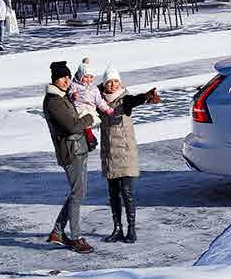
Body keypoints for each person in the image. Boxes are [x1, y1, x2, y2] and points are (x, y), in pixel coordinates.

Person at [96, 67, 162, 244]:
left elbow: (133, 101)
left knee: (127, 192)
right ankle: (117, 228)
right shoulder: (99, 100)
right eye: (109, 82)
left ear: (120, 83)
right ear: (104, 84)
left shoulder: (124, 99)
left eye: (116, 81)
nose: (113, 85)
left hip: (125, 152)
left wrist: (145, 97)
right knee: (113, 194)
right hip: (109, 153)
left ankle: (131, 229)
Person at [41, 60, 96, 253]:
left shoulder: (63, 96)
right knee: (77, 194)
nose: (66, 81)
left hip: (77, 149)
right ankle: (75, 237)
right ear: (54, 79)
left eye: (67, 77)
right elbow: (72, 126)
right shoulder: (54, 101)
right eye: (61, 78)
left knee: (77, 192)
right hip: (70, 152)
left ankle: (57, 232)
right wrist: (89, 118)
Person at [70, 57, 102, 126]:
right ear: (80, 77)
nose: (89, 79)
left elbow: (99, 100)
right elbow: (70, 93)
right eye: (86, 77)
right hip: (79, 109)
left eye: (91, 77)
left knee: (93, 121)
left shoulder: (94, 88)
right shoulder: (75, 85)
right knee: (84, 123)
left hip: (91, 110)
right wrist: (73, 96)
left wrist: (106, 109)